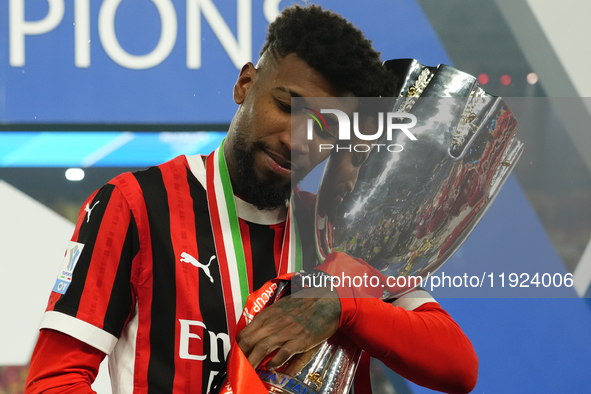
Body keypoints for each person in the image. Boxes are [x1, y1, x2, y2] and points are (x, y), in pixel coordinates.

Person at [25, 4, 478, 394]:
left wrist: (342, 309)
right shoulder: (136, 203)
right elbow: (54, 380)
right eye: (288, 106)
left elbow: (459, 367)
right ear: (245, 84)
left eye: (326, 129)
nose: (298, 140)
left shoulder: (337, 236)